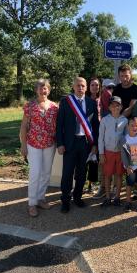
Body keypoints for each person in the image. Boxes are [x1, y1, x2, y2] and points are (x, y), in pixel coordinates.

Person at [56, 77, 99, 213]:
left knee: (81, 172)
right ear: (73, 87)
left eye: (83, 86)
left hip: (85, 143)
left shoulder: (91, 103)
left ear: (86, 87)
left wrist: (94, 144)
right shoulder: (66, 102)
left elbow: (95, 126)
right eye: (78, 85)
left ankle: (78, 197)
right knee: (67, 172)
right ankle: (65, 200)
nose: (80, 88)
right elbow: (59, 124)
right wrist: (60, 143)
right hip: (70, 143)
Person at [20, 79, 58, 217]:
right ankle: (32, 203)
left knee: (46, 173)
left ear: (49, 90)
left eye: (45, 88)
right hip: (33, 144)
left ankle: (41, 198)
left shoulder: (55, 107)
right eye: (40, 88)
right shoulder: (29, 106)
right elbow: (24, 126)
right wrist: (23, 145)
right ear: (36, 90)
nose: (43, 90)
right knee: (35, 173)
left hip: (49, 144)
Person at [99, 96, 128, 207]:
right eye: (113, 105)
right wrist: (101, 153)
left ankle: (117, 197)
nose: (115, 107)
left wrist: (125, 152)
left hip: (120, 152)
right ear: (109, 107)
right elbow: (100, 138)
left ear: (121, 107)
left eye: (118, 105)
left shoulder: (124, 120)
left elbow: (126, 137)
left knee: (119, 175)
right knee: (107, 175)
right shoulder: (105, 120)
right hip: (108, 152)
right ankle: (107, 197)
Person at [121, 117, 137, 213]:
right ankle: (128, 202)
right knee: (129, 184)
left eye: (136, 125)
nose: (134, 127)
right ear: (127, 126)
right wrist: (127, 167)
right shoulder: (124, 139)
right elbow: (123, 154)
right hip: (130, 168)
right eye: (132, 125)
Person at [85, 77, 102, 193]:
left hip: (99, 132)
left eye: (97, 85)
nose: (95, 87)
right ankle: (80, 183)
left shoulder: (103, 100)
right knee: (84, 159)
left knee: (94, 159)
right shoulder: (84, 100)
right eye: (92, 85)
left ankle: (91, 184)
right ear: (88, 87)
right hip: (87, 132)